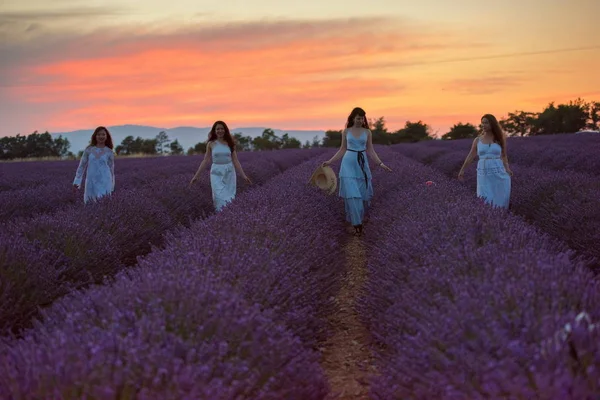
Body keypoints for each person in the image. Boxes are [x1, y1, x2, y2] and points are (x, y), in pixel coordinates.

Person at [322, 107, 392, 236]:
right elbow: (342, 149)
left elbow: (370, 150)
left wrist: (381, 164)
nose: (360, 120)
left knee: (361, 196)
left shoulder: (367, 132)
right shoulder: (346, 131)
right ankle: (357, 225)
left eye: (362, 118)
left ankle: (358, 220)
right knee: (352, 195)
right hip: (348, 163)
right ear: (353, 118)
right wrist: (330, 161)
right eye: (358, 118)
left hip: (362, 164)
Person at [189, 120, 252, 211]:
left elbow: (235, 160)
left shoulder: (230, 143)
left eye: (222, 129)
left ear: (225, 130)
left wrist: (243, 176)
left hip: (229, 172)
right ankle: (220, 216)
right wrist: (196, 176)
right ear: (214, 131)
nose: (220, 131)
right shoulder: (211, 144)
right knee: (218, 197)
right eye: (217, 129)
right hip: (216, 172)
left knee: (230, 197)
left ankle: (228, 217)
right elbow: (205, 160)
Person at [458, 113, 513, 209]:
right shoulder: (477, 140)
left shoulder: (499, 139)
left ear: (492, 124)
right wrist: (462, 170)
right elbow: (471, 156)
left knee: (499, 198)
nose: (483, 125)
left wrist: (507, 169)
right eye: (482, 123)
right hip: (483, 172)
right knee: (484, 197)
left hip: (498, 172)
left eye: (486, 123)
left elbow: (504, 156)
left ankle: (499, 219)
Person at [73, 126, 116, 203]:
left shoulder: (109, 152)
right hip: (91, 181)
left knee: (103, 203)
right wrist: (77, 181)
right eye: (99, 134)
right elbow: (82, 166)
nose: (101, 136)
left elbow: (111, 169)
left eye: (103, 134)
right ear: (95, 136)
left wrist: (112, 185)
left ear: (107, 137)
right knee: (90, 202)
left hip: (105, 181)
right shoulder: (89, 150)